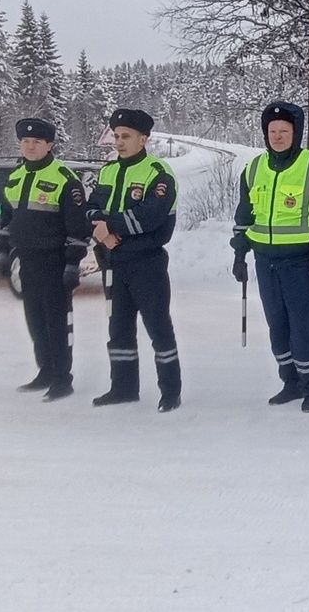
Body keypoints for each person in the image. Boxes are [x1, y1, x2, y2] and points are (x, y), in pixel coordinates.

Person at [230, 101, 309, 413]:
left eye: (284, 131)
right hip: (265, 262)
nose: (278, 136)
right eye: (272, 131)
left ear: (295, 133)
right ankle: (290, 382)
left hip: (301, 263)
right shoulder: (253, 169)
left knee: (302, 327)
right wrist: (239, 253)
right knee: (277, 326)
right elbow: (245, 214)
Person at [84, 108, 183, 412]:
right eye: (116, 136)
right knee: (119, 327)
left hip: (147, 264)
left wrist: (109, 226)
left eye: (126, 136)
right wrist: (102, 234)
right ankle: (123, 387)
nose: (119, 142)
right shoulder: (108, 171)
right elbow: (90, 210)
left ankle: (170, 392)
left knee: (158, 327)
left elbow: (152, 217)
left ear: (144, 138)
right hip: (113, 263)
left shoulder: (158, 173)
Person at [0, 118, 92, 400]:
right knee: (35, 320)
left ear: (49, 145)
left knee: (58, 322)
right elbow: (7, 220)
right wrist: (4, 252)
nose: (30, 146)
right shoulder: (15, 177)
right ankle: (46, 371)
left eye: (37, 142)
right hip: (27, 261)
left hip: (55, 262)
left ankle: (63, 378)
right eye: (26, 142)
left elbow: (78, 227)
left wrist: (73, 263)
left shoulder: (64, 179)